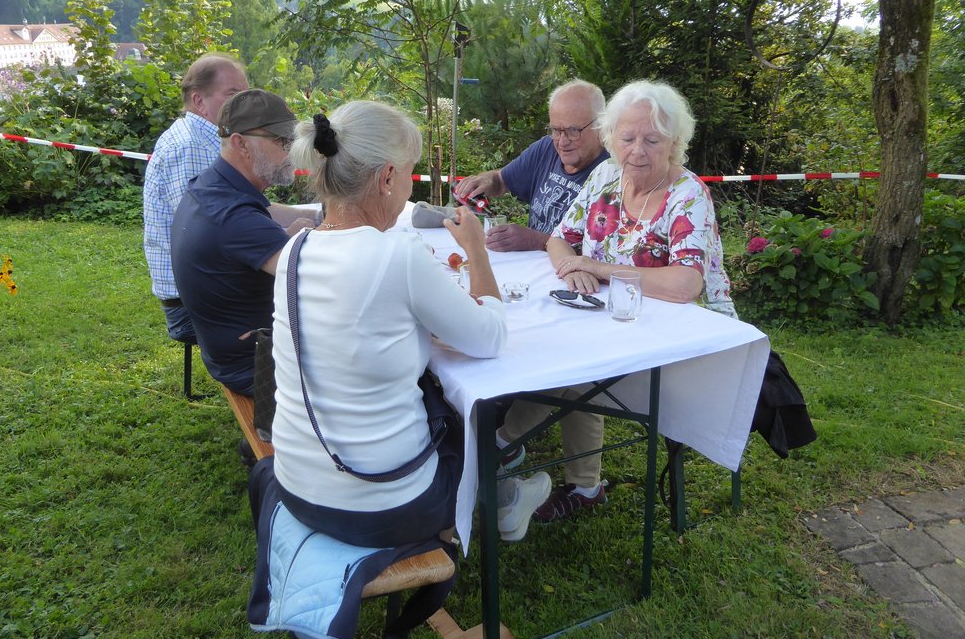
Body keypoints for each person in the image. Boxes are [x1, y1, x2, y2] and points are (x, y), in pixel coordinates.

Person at [269, 100, 508, 550]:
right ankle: (499, 505)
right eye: (409, 175)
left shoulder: (294, 249)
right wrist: (476, 249)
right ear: (387, 178)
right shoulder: (398, 254)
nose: (407, 192)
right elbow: (490, 337)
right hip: (382, 505)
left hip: (297, 486)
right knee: (475, 441)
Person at [499, 79, 737, 523]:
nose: (637, 151)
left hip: (684, 338)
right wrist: (571, 265)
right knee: (561, 353)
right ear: (610, 138)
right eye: (626, 139)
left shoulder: (688, 194)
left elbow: (685, 285)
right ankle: (557, 471)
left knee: (573, 365)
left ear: (675, 143)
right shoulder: (606, 176)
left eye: (652, 140)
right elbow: (559, 239)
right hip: (610, 322)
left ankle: (505, 445)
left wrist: (597, 267)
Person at [171, 89, 317, 397]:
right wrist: (306, 235)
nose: (292, 152)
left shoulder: (213, 186)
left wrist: (318, 216)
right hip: (259, 368)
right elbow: (318, 275)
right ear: (241, 143)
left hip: (235, 355)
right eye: (282, 141)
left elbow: (267, 210)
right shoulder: (234, 216)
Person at [143, 53, 249, 342]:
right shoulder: (192, 146)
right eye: (233, 94)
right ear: (199, 101)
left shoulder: (206, 138)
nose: (243, 103)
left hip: (204, 288)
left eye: (245, 94)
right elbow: (208, 231)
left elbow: (230, 214)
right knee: (297, 308)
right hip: (192, 304)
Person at [452, 79, 609, 252]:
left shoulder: (613, 172)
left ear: (600, 125)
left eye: (573, 131)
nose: (562, 142)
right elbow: (501, 180)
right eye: (556, 130)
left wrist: (536, 241)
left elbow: (603, 255)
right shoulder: (546, 148)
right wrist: (487, 181)